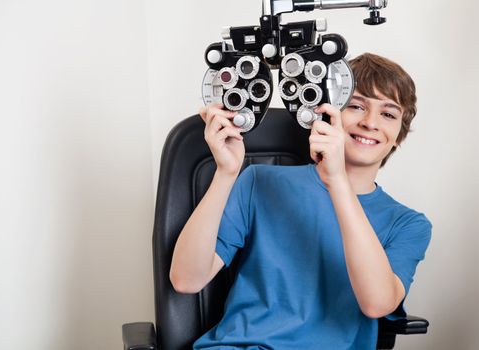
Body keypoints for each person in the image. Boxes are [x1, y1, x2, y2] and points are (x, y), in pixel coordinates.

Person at [169, 53, 432, 350]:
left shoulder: (408, 224)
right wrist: (226, 173)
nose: (370, 122)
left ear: (399, 135)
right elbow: (186, 280)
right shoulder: (259, 182)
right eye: (356, 106)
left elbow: (377, 304)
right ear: (328, 113)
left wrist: (337, 182)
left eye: (388, 114)